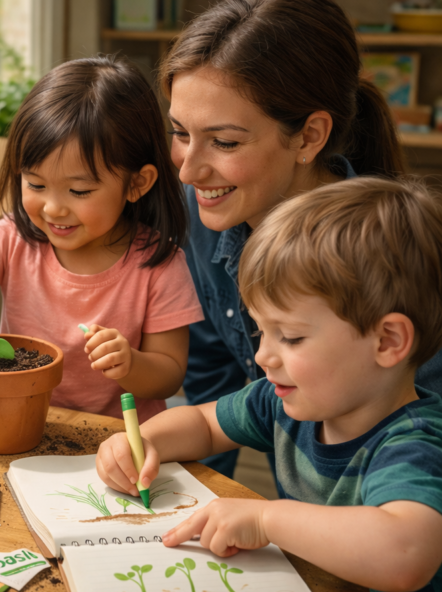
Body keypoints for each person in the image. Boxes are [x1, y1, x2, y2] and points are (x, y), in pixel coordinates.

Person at [96, 177, 442, 592]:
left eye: (292, 336)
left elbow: (405, 552)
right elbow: (201, 421)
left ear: (388, 340)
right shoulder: (286, 402)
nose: (262, 355)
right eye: (261, 331)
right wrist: (144, 442)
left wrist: (268, 520)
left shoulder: (413, 442)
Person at [161, 0, 442, 481]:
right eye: (180, 132)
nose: (188, 170)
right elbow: (215, 387)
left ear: (309, 136)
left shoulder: (399, 260)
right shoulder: (204, 209)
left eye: (224, 142)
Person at [0, 55, 202, 420]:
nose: (53, 208)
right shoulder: (12, 239)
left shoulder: (160, 264)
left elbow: (168, 377)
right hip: (23, 429)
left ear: (137, 184)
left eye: (78, 191)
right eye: (36, 184)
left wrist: (131, 363)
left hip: (116, 444)